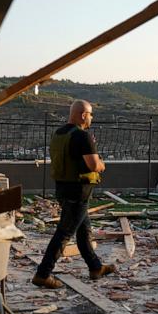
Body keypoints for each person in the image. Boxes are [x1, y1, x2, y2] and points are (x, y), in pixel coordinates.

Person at [33, 100, 115, 289]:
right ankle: (42, 274)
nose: (92, 118)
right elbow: (94, 165)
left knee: (83, 230)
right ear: (83, 114)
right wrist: (102, 164)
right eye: (91, 114)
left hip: (63, 189)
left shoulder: (59, 133)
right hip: (78, 192)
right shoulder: (82, 136)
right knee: (65, 233)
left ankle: (95, 267)